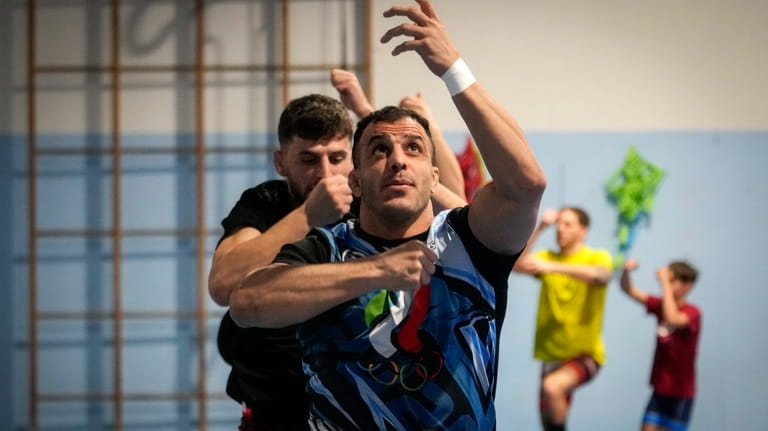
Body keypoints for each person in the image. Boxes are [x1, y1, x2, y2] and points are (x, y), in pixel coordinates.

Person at [228, 0, 547, 429]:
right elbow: (247, 303)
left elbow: (526, 184)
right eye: (379, 150)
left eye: (413, 148)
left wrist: (453, 69)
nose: (397, 160)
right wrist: (376, 271)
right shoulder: (326, 247)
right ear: (356, 182)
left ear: (434, 177)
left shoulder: (468, 240)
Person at [208, 70, 466, 429]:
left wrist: (372, 113)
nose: (325, 172)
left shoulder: (373, 198)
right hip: (275, 406)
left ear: (355, 163)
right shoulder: (266, 202)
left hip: (360, 400)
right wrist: (307, 215)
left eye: (336, 157)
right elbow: (223, 285)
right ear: (281, 162)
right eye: (308, 159)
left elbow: (453, 209)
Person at [512, 207, 613, 431]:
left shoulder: (596, 257)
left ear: (583, 231)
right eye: (558, 224)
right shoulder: (547, 256)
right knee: (548, 421)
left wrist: (554, 267)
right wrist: (541, 227)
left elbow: (601, 275)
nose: (560, 229)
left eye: (568, 224)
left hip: (584, 353)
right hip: (551, 355)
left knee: (552, 388)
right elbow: (517, 265)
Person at [620, 259, 701, 431]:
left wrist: (664, 281)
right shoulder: (659, 305)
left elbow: (673, 318)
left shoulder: (692, 312)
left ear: (687, 286)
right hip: (660, 388)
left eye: (673, 281)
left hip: (680, 392)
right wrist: (626, 271)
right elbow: (628, 290)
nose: (668, 285)